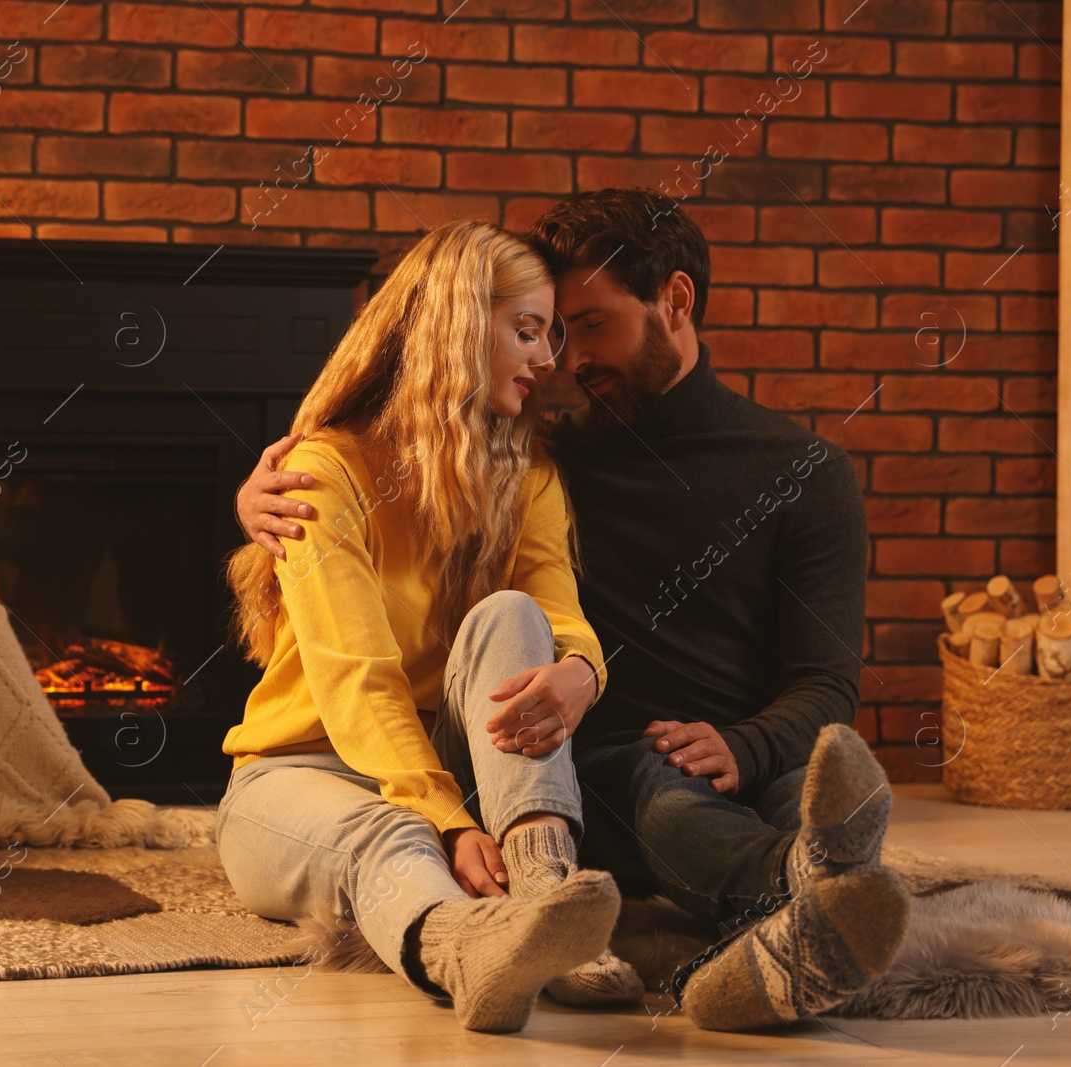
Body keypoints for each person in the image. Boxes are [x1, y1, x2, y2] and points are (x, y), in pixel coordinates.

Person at [234, 189, 912, 1032]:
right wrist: (261, 499)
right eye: (544, 331)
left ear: (675, 300)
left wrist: (734, 741)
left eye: (584, 325)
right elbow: (375, 636)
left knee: (811, 799)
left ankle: (764, 950)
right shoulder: (533, 446)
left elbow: (824, 681)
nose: (562, 359)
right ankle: (630, 893)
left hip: (728, 751)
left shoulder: (801, 471)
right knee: (648, 785)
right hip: (580, 763)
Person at [215, 220, 641, 1035]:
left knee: (510, 614)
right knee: (391, 832)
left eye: (552, 334)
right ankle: (472, 952)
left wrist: (584, 669)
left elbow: (557, 614)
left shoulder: (532, 476)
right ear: (453, 324)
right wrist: (444, 816)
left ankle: (544, 885)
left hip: (444, 756)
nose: (549, 359)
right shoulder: (325, 475)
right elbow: (357, 679)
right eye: (526, 331)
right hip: (298, 772)